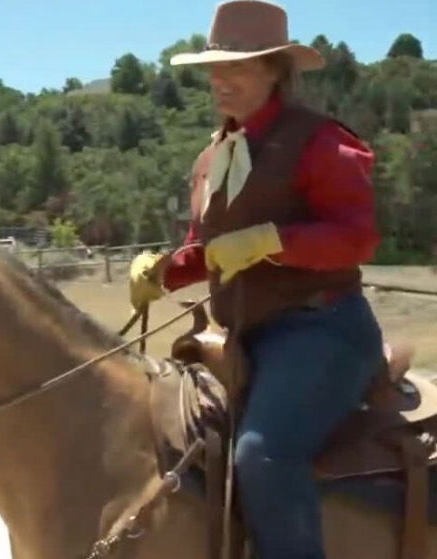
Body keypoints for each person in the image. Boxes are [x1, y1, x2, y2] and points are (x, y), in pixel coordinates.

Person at [128, 1, 385, 557]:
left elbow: (358, 237)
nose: (220, 81)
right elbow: (211, 251)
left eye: (237, 67)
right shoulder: (212, 157)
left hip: (322, 330)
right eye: (215, 69)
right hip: (244, 336)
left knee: (263, 455)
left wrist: (273, 240)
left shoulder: (321, 142)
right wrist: (163, 274)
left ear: (275, 70)